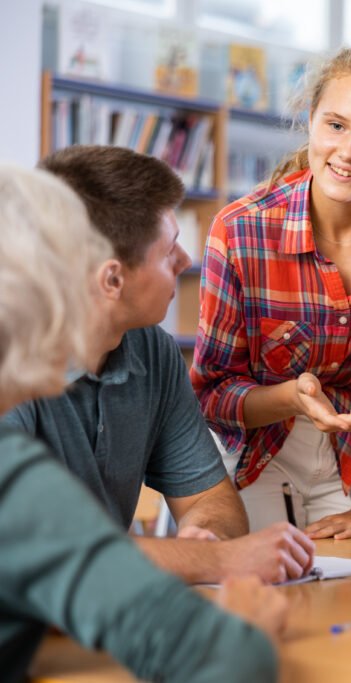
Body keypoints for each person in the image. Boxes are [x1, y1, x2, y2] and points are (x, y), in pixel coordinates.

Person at [0, 164, 286, 682]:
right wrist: (244, 621)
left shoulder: (148, 350)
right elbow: (228, 663)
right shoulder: (10, 474)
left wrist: (196, 549)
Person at [191, 42, 351, 540]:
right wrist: (294, 397)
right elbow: (213, 393)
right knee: (272, 599)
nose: (349, 152)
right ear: (311, 118)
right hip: (262, 454)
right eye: (336, 125)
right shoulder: (240, 230)